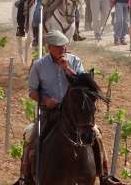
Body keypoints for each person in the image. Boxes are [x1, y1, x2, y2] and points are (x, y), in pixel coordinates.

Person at [20, 30, 114, 184]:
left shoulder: (74, 61)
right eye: (58, 47)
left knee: (96, 134)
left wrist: (67, 69)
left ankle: (104, 175)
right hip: (49, 112)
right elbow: (32, 92)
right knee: (31, 136)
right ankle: (26, 177)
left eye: (64, 46)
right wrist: (45, 100)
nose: (62, 50)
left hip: (74, 112)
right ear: (49, 47)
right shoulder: (39, 65)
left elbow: (84, 84)